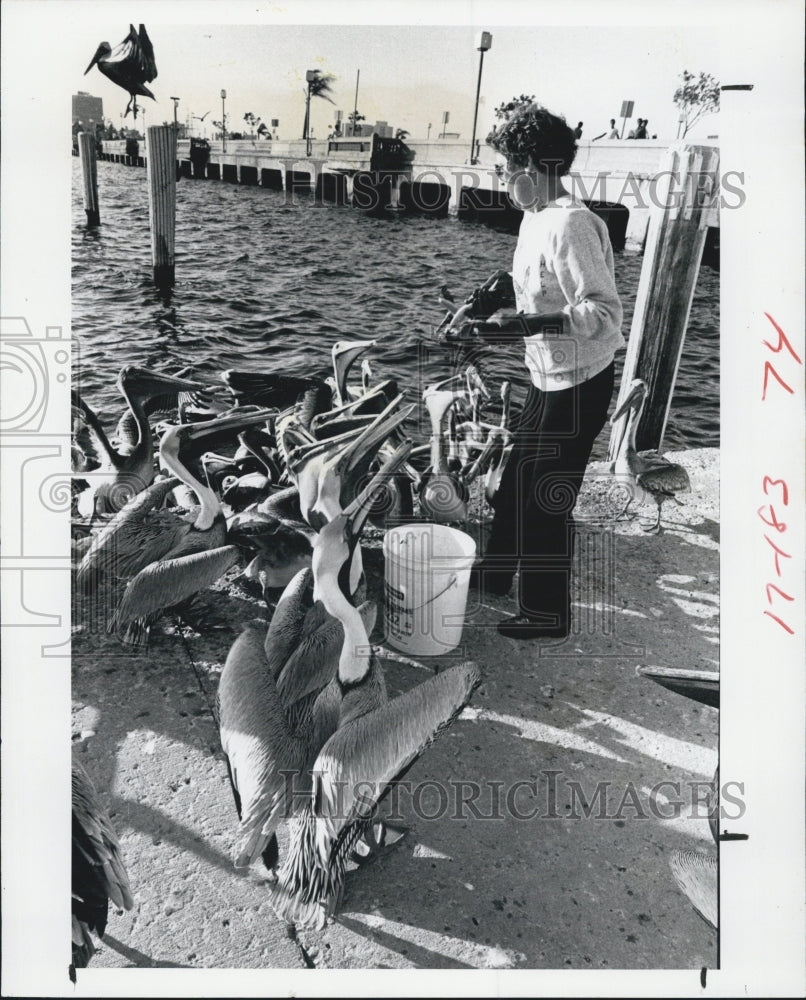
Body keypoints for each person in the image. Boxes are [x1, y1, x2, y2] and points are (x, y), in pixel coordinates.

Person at [446, 103, 624, 639]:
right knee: (514, 482)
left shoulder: (572, 223)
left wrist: (523, 325)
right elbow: (527, 277)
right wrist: (483, 301)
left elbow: (603, 313)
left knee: (547, 498)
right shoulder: (536, 216)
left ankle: (548, 615)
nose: (501, 176)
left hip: (580, 382)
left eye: (506, 167)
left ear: (532, 166)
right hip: (546, 375)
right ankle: (497, 573)